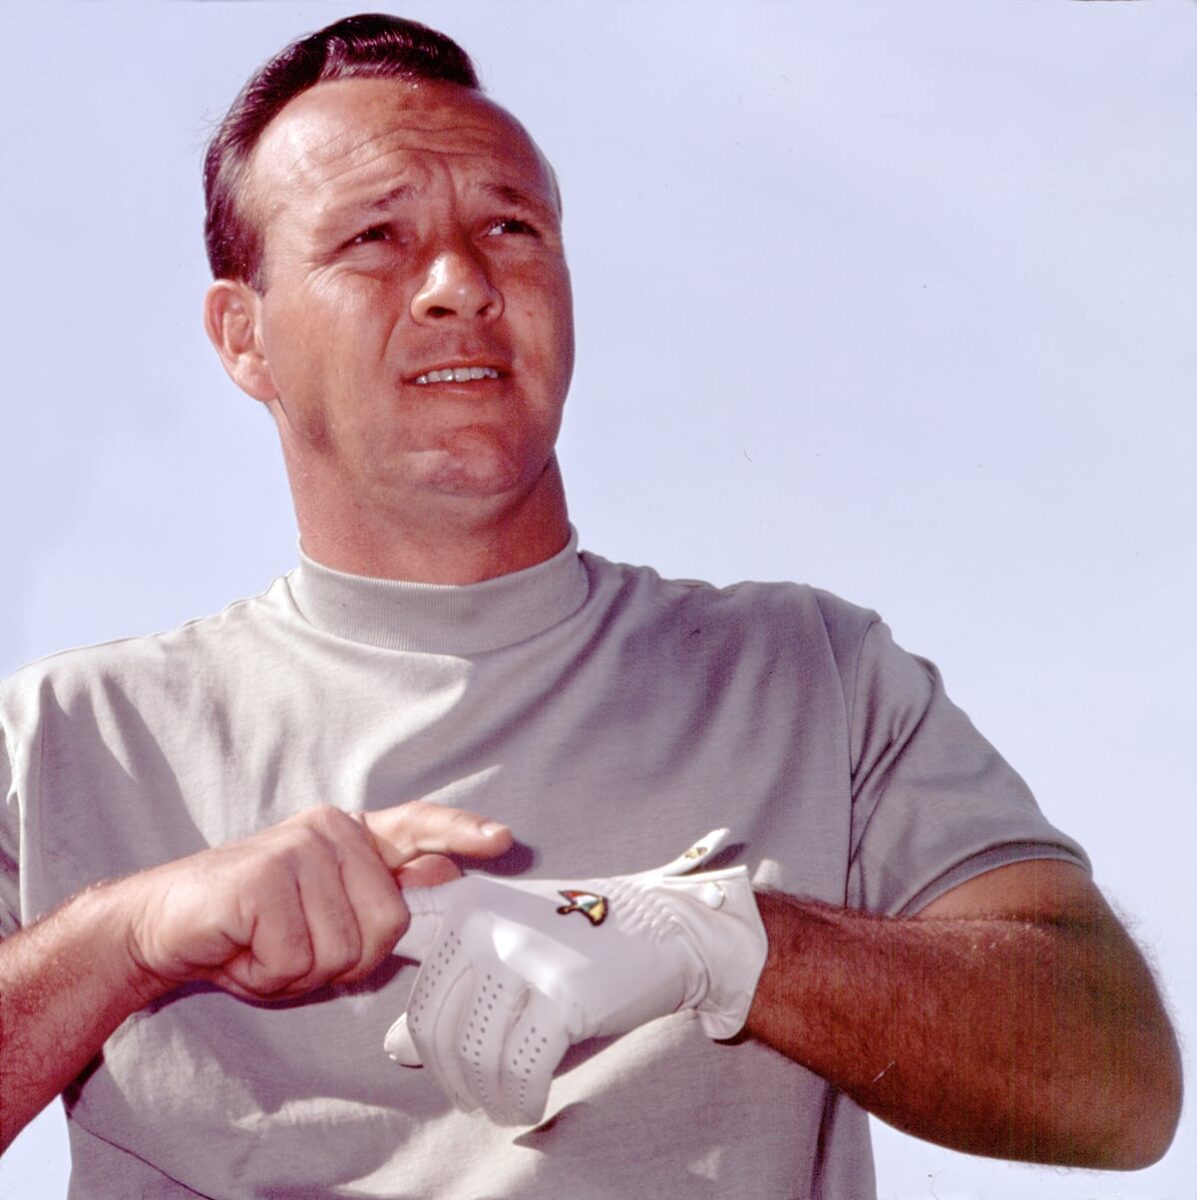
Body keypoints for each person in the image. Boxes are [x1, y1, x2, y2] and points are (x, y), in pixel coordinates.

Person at [0, 13, 1181, 1198]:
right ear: (241, 337)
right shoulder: (63, 742)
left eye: (509, 227)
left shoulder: (811, 671)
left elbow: (1122, 1088)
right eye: (374, 237)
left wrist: (730, 943)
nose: (460, 283)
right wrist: (125, 941)